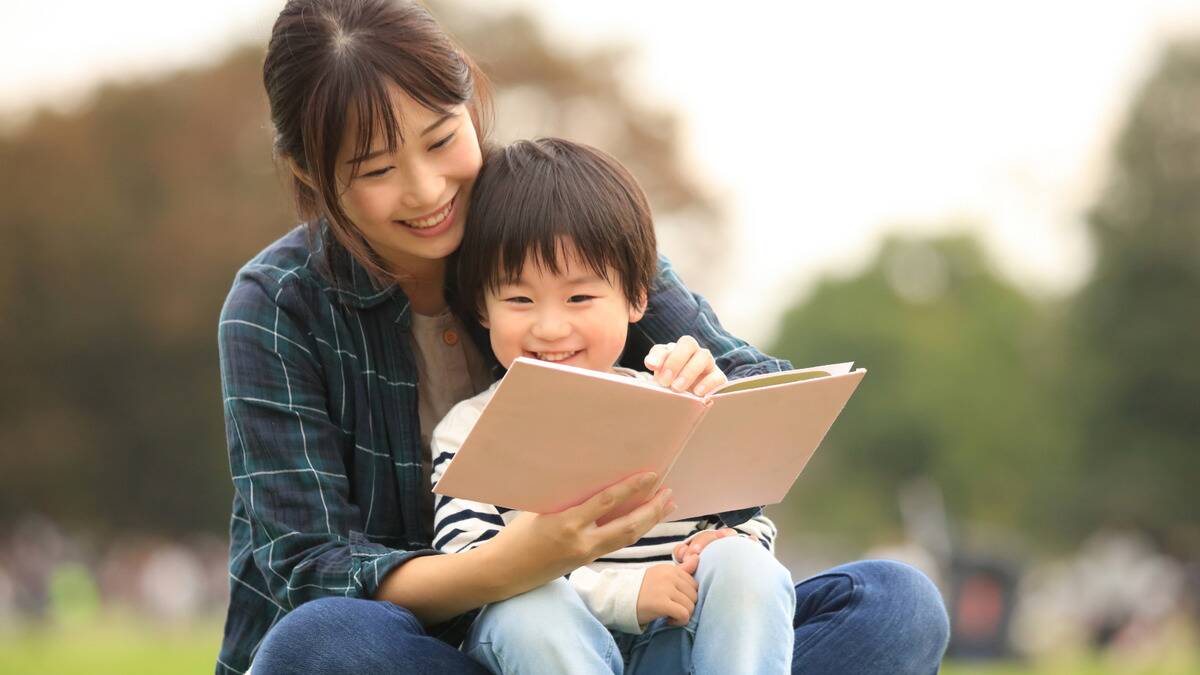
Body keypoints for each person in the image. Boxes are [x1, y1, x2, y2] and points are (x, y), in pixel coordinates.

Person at [217, 1, 950, 673]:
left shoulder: (560, 231)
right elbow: (309, 566)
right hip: (445, 649)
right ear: (308, 173)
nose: (427, 189)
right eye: (377, 169)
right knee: (318, 645)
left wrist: (708, 382)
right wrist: (520, 561)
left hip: (636, 634)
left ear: (471, 103)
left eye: (442, 140)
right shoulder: (276, 306)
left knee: (896, 605)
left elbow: (756, 394)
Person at [430, 137, 796, 674]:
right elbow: (468, 562)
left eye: (579, 298)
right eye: (519, 299)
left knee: (749, 567)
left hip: (675, 640)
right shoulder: (469, 429)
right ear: (482, 307)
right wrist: (624, 594)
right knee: (528, 609)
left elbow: (751, 516)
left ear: (636, 299)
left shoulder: (673, 401)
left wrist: (731, 541)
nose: (550, 327)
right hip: (548, 646)